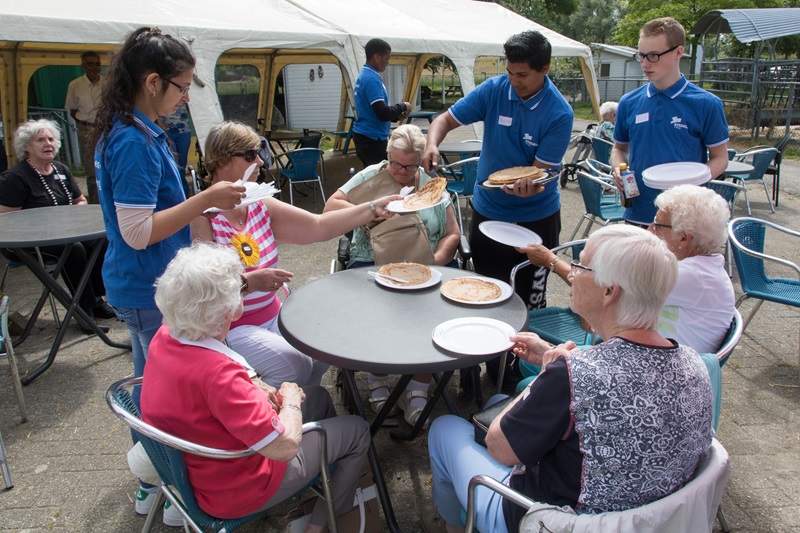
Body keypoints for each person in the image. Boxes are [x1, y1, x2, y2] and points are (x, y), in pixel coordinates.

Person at [422, 225, 713, 533]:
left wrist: (545, 377)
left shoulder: (573, 375)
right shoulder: (695, 365)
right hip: (654, 520)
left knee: (445, 428)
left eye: (580, 265)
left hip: (554, 522)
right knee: (495, 401)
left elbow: (499, 448)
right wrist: (555, 361)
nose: (571, 274)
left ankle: (455, 524)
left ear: (609, 290)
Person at [93, 27, 245, 519]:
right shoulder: (134, 141)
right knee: (162, 396)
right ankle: (166, 481)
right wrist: (206, 199)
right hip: (146, 286)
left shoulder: (135, 129)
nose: (184, 98)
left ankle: (157, 479)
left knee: (152, 388)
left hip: (145, 284)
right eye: (181, 87)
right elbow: (137, 231)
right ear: (153, 81)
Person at [141, 242, 370, 533]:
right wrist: (288, 402)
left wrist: (256, 384)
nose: (242, 295)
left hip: (195, 465)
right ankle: (320, 525)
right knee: (357, 430)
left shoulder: (166, 336)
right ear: (228, 311)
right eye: (240, 291)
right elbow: (284, 446)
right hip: (238, 486)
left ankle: (324, 479)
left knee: (320, 397)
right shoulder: (219, 375)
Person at [190, 121, 401, 388]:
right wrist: (249, 282)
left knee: (324, 348)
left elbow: (318, 226)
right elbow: (206, 289)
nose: (261, 162)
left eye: (261, 152)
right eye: (250, 155)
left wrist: (372, 208)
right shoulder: (203, 216)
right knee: (294, 364)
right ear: (222, 159)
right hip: (231, 327)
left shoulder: (257, 202)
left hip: (273, 314)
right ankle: (278, 422)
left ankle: (304, 413)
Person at [422, 30, 573, 311]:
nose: (514, 81)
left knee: (527, 301)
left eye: (523, 75)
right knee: (486, 293)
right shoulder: (494, 89)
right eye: (510, 72)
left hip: (535, 218)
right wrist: (432, 143)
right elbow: (445, 120)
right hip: (488, 211)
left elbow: (539, 175)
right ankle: (492, 356)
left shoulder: (559, 113)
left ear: (545, 68)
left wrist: (529, 190)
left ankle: (523, 355)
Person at [324, 124, 460, 426]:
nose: (403, 171)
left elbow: (452, 233)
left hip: (425, 264)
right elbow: (331, 206)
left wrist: (434, 263)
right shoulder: (370, 176)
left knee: (435, 312)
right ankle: (378, 380)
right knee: (378, 312)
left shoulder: (430, 184)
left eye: (411, 165)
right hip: (372, 262)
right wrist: (368, 209)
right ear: (388, 156)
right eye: (397, 164)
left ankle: (417, 388)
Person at [519, 184, 734, 354]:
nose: (650, 229)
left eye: (658, 225)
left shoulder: (690, 276)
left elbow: (601, 285)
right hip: (651, 353)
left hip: (652, 370)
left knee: (531, 365)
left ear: (684, 238)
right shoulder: (704, 269)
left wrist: (551, 260)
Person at [611, 17, 729, 226]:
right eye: (641, 55)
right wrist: (618, 169)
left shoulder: (706, 103)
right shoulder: (628, 102)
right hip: (639, 213)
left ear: (678, 52)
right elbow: (619, 148)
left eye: (654, 56)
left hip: (686, 220)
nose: (645, 63)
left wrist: (692, 183)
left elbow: (720, 158)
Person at [0, 119, 114, 333]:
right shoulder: (15, 178)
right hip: (27, 241)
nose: (48, 143)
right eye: (40, 140)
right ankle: (83, 309)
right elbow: (5, 220)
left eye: (51, 139)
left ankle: (97, 299)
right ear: (26, 146)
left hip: (65, 233)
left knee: (100, 240)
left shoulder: (60, 170)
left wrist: (77, 212)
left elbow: (79, 200)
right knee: (75, 249)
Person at [352, 38, 411, 168]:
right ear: (377, 57)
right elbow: (383, 113)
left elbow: (374, 110)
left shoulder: (365, 75)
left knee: (375, 179)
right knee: (380, 181)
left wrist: (395, 116)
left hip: (366, 136)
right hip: (372, 140)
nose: (387, 62)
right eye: (387, 58)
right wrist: (403, 106)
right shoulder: (371, 79)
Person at [65, 51, 103, 204]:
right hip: (87, 129)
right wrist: (87, 122)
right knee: (92, 170)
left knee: (110, 166)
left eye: (97, 64)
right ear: (83, 65)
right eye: (90, 64)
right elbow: (73, 110)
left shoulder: (107, 83)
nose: (94, 67)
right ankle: (95, 205)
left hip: (107, 128)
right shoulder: (75, 85)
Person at [160, 102, 192, 197]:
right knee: (174, 165)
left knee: (182, 165)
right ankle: (185, 192)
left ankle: (181, 194)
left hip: (183, 131)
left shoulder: (184, 95)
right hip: (167, 131)